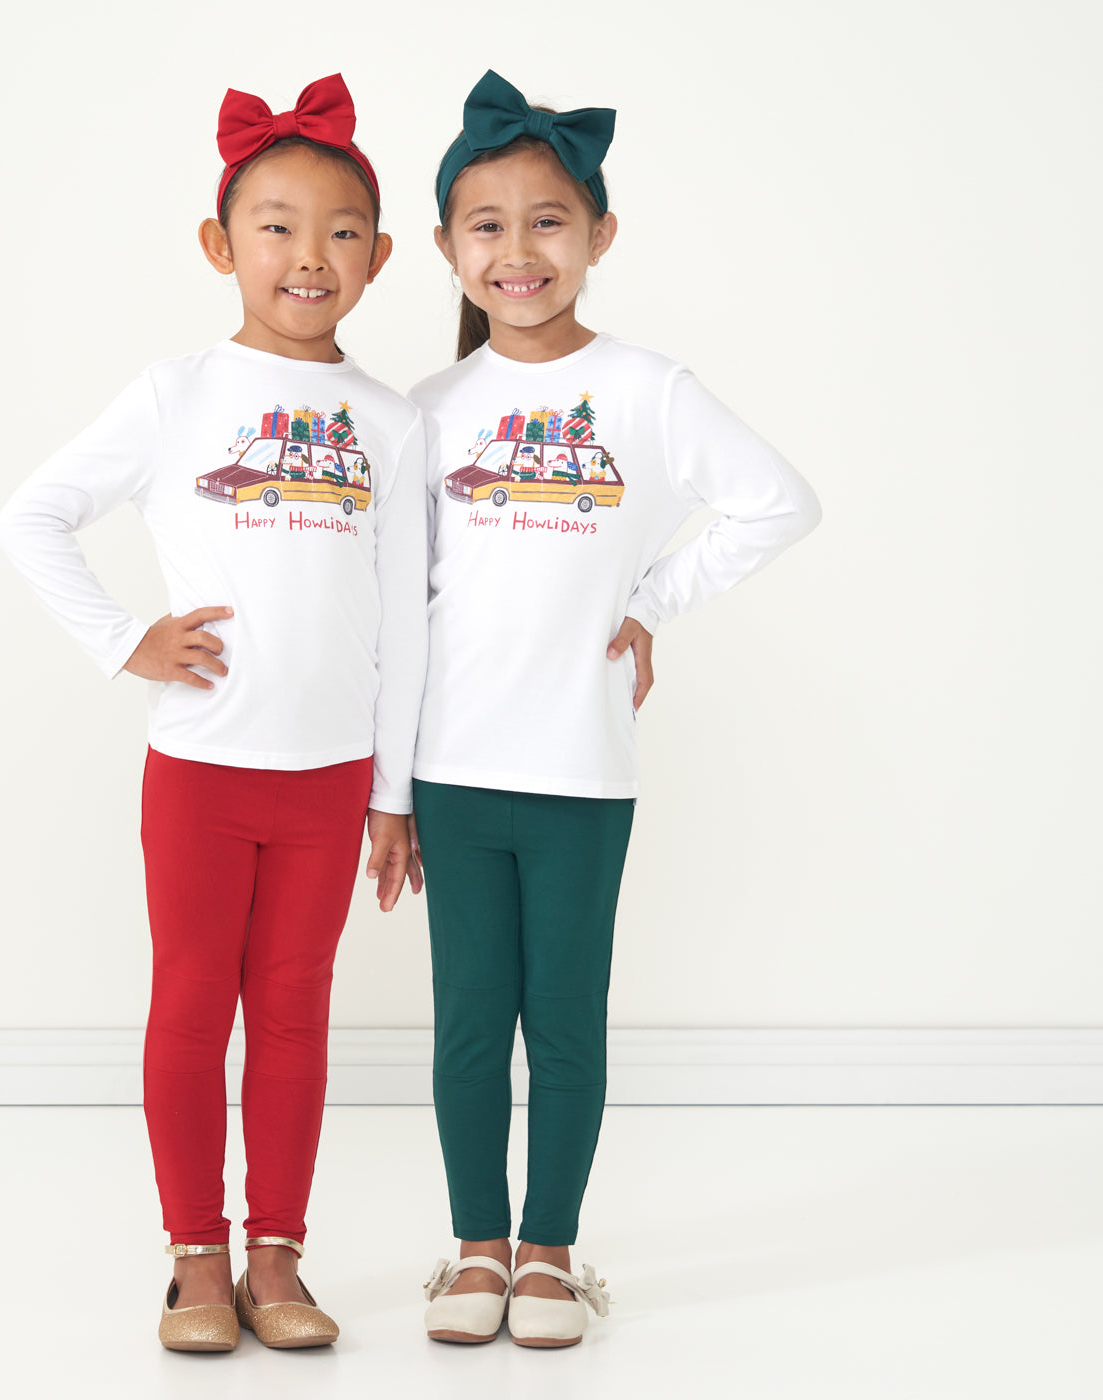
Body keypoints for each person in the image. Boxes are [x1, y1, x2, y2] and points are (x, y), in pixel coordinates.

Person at [0, 73, 427, 1355]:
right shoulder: (176, 393)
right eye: (277, 224)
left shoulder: (390, 423)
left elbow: (406, 622)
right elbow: (32, 515)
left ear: (379, 258)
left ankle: (277, 1250)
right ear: (220, 245)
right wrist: (128, 637)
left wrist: (393, 791)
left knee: (294, 1006)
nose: (309, 254)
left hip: (330, 775)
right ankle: (194, 1251)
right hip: (199, 766)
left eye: (341, 229)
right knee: (191, 1002)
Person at [410, 70, 821, 1349]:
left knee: (565, 1016)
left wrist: (653, 594)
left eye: (548, 220)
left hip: (584, 765)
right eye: (487, 223)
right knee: (472, 1017)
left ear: (598, 236)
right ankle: (474, 1244)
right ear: (446, 248)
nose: (517, 249)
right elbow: (395, 603)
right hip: (452, 767)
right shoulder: (425, 412)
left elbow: (777, 500)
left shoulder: (645, 390)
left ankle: (549, 1252)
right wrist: (384, 788)